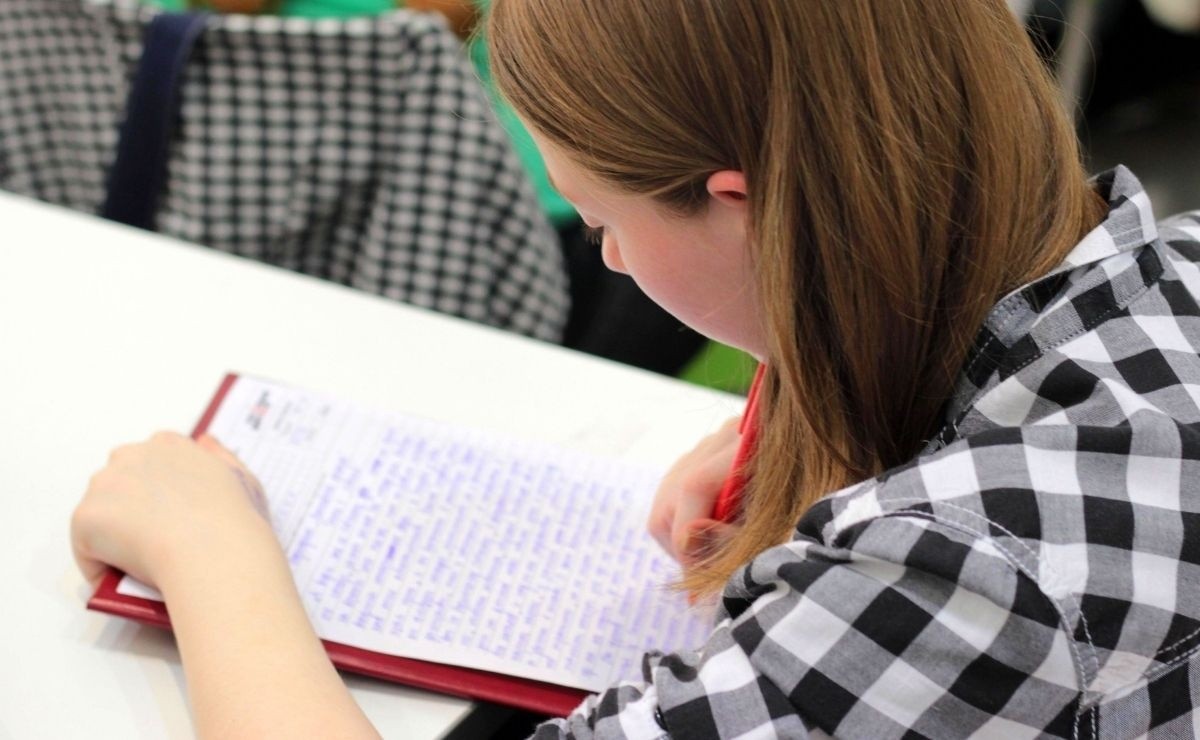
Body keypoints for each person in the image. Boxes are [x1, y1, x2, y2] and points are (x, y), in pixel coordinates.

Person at [71, 0, 1200, 737]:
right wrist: (833, 406)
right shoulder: (1162, 275)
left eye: (603, 220)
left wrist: (212, 551)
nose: (604, 253)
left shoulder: (959, 574)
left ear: (744, 204)